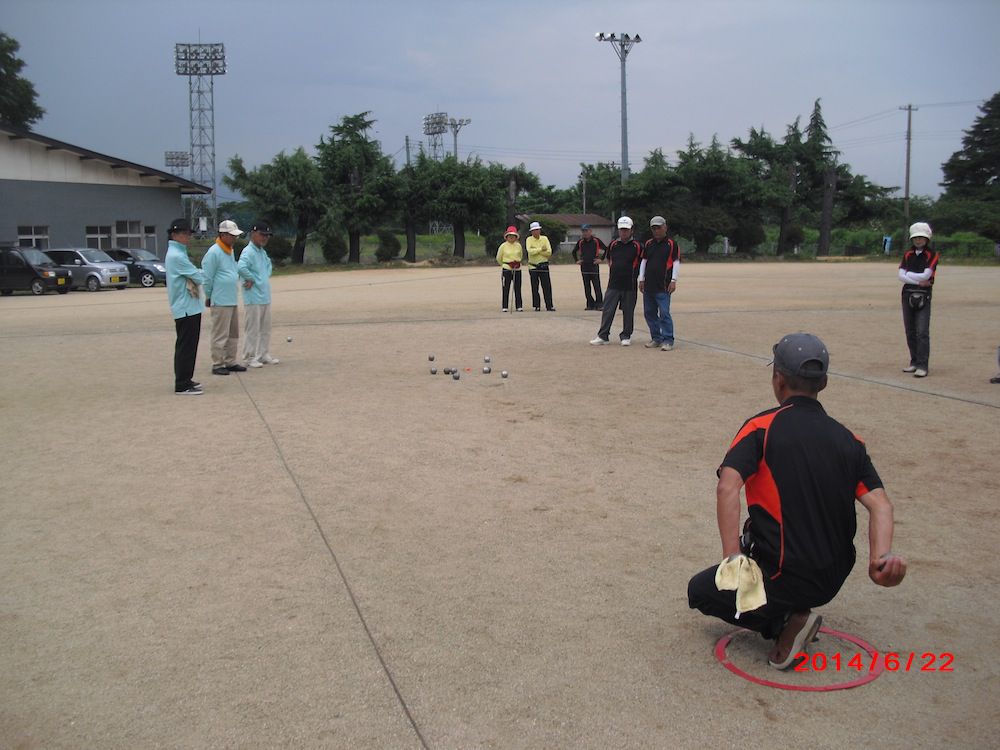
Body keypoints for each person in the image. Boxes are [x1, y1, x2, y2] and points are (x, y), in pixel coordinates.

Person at [687, 332, 906, 669]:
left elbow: (727, 487)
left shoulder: (761, 427)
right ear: (825, 383)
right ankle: (792, 607)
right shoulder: (848, 440)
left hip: (784, 576)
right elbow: (881, 505)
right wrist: (882, 558)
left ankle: (785, 622)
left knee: (700, 591)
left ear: (778, 380)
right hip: (832, 578)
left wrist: (732, 559)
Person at [164, 218, 205, 395]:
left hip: (189, 306)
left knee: (189, 345)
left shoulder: (178, 253)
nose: (187, 237)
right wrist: (206, 273)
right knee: (185, 345)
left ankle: (186, 379)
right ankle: (182, 383)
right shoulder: (176, 255)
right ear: (173, 235)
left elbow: (194, 273)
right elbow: (197, 276)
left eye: (188, 233)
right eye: (183, 233)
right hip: (185, 307)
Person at [202, 220, 248, 377]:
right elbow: (207, 277)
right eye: (232, 235)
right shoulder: (214, 252)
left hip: (231, 298)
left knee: (233, 333)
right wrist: (209, 295)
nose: (235, 238)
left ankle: (230, 361)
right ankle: (218, 363)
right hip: (220, 299)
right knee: (220, 333)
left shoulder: (230, 250)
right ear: (222, 235)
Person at [590, 216, 641, 346]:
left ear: (631, 230)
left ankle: (626, 335)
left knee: (628, 311)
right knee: (608, 310)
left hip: (630, 284)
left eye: (626, 230)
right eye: (621, 230)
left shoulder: (637, 246)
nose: (624, 232)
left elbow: (642, 263)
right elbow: (608, 259)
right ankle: (603, 336)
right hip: (613, 284)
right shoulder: (613, 244)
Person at [898, 222, 940, 378]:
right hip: (907, 293)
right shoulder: (908, 254)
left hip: (924, 294)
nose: (918, 240)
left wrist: (910, 277)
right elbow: (900, 275)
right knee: (910, 330)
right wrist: (916, 280)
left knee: (922, 331)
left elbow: (927, 275)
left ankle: (923, 365)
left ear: (927, 238)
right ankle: (914, 361)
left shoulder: (932, 254)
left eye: (921, 237)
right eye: (916, 238)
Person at [238, 220, 278, 368]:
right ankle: (249, 357)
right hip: (253, 296)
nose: (265, 238)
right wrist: (251, 278)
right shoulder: (248, 251)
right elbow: (241, 267)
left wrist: (263, 278)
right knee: (252, 329)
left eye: (267, 236)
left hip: (264, 295)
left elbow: (268, 265)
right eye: (262, 235)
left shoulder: (262, 252)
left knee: (265, 328)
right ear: (253, 234)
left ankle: (263, 354)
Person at [638, 216, 680, 350]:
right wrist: (641, 278)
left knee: (664, 313)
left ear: (665, 227)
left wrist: (673, 280)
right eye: (654, 228)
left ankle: (668, 339)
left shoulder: (671, 244)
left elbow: (676, 262)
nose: (656, 231)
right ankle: (656, 337)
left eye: (659, 228)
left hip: (663, 285)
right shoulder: (649, 244)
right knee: (649, 313)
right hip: (649, 285)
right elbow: (644, 261)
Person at [571, 224, 606, 310]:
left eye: (586, 231)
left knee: (596, 285)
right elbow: (574, 252)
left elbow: (606, 249)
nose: (585, 233)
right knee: (587, 286)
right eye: (583, 231)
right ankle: (590, 304)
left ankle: (599, 304)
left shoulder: (596, 241)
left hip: (594, 266)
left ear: (590, 231)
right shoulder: (580, 242)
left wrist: (601, 259)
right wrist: (577, 260)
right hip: (584, 266)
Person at [525, 220, 555, 311]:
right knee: (535, 287)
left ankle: (549, 305)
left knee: (547, 286)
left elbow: (549, 252)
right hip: (533, 266)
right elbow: (530, 251)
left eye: (537, 230)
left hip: (543, 265)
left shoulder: (545, 239)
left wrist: (537, 250)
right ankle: (536, 305)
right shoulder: (529, 239)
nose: (536, 231)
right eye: (534, 230)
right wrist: (541, 249)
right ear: (531, 231)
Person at [496, 225, 524, 312]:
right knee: (506, 288)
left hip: (517, 268)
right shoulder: (503, 246)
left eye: (513, 236)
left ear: (516, 237)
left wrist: (516, 263)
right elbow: (498, 258)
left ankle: (519, 306)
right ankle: (505, 306)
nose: (511, 237)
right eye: (509, 236)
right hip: (507, 268)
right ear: (506, 237)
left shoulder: (518, 246)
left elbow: (521, 256)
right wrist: (505, 265)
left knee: (517, 288)